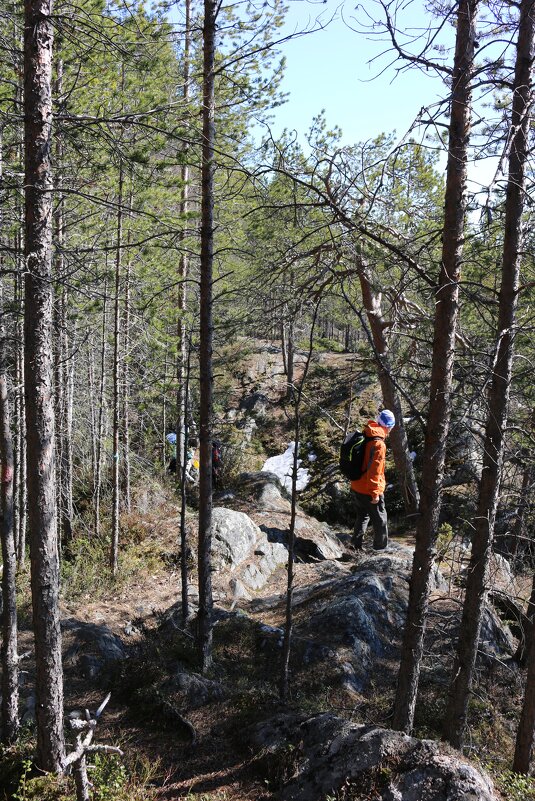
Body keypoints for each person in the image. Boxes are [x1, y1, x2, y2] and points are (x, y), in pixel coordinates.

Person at [351, 409, 396, 551]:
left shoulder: (367, 433)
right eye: (391, 427)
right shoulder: (379, 444)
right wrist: (375, 492)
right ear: (387, 426)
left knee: (362, 516)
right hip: (368, 489)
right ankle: (380, 549)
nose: (390, 431)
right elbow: (374, 471)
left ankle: (355, 545)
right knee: (380, 519)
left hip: (356, 485)